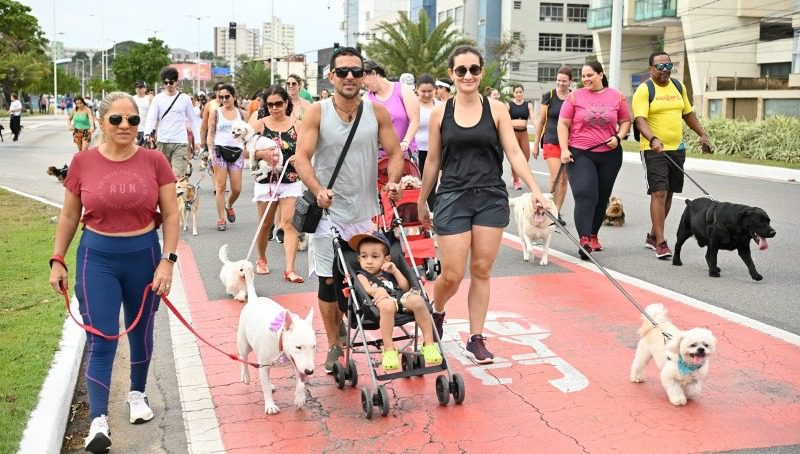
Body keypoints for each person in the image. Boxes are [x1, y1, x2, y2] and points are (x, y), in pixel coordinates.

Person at [48, 91, 178, 453]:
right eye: (117, 119)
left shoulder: (154, 161)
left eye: (133, 120)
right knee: (102, 337)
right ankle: (98, 421)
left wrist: (168, 260)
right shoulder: (82, 162)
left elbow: (170, 214)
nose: (125, 126)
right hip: (98, 258)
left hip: (145, 257)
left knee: (140, 331)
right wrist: (57, 257)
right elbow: (70, 215)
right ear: (102, 122)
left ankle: (138, 394)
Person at [417, 45, 549, 364]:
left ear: (481, 72)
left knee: (481, 269)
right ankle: (436, 312)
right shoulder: (440, 113)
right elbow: (433, 160)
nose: (467, 76)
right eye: (461, 70)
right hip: (451, 196)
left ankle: (476, 338)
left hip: (490, 196)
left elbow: (515, 153)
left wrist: (535, 189)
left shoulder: (497, 109)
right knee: (451, 274)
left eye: (474, 69)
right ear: (451, 74)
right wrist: (422, 200)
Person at [294, 46, 404, 374]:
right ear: (331, 77)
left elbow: (396, 152)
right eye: (343, 72)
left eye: (356, 71)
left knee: (365, 277)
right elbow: (301, 158)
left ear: (364, 76)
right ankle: (334, 344)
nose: (350, 77)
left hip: (364, 214)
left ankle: (361, 325)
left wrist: (393, 182)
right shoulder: (317, 112)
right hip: (327, 214)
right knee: (328, 282)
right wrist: (317, 190)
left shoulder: (377, 113)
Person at [633, 51, 712, 259]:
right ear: (651, 69)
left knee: (668, 193)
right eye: (660, 67)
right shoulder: (644, 90)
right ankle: (660, 242)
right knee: (658, 192)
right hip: (653, 149)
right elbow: (640, 120)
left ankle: (652, 235)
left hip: (677, 148)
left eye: (668, 66)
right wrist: (652, 139)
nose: (665, 70)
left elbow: (688, 114)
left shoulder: (678, 86)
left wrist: (703, 134)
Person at [558, 61, 631, 259]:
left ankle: (593, 234)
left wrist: (618, 137)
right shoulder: (574, 97)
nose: (586, 79)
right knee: (585, 195)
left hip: (610, 155)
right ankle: (583, 240)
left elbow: (625, 121)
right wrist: (564, 149)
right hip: (581, 153)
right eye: (583, 76)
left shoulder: (617, 97)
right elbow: (563, 124)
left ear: (600, 75)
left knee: (601, 197)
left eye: (590, 75)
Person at [350, 231, 442, 370]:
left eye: (375, 256)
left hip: (399, 297)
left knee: (418, 301)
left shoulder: (388, 271)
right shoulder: (362, 275)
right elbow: (367, 289)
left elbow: (405, 287)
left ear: (386, 259)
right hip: (379, 302)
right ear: (359, 259)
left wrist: (395, 271)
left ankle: (429, 344)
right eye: (364, 256)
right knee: (387, 306)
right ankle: (388, 350)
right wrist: (377, 291)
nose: (369, 261)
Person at [247, 84, 305, 281]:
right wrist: (261, 153)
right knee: (266, 224)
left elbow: (307, 148)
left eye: (278, 103)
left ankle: (289, 269)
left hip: (290, 179)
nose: (274, 108)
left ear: (286, 103)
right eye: (270, 104)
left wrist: (300, 157)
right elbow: (244, 150)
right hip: (266, 181)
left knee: (289, 224)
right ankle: (262, 258)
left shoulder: (298, 124)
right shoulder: (259, 124)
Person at [533, 66, 573, 225]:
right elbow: (541, 121)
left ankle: (556, 211)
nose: (561, 84)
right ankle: (548, 210)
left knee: (564, 179)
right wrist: (536, 143)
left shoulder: (574, 97)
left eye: (564, 81)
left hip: (569, 143)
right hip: (550, 139)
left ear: (570, 81)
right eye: (558, 80)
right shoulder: (548, 96)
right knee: (556, 176)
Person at [144, 67, 201, 177]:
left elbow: (193, 120)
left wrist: (198, 140)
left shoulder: (184, 98)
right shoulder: (158, 99)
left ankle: (176, 193)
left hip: (180, 141)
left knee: (177, 176)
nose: (168, 85)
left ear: (176, 82)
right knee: (163, 176)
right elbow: (151, 118)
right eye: (166, 83)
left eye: (171, 82)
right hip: (162, 141)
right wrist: (147, 134)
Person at [364, 60, 421, 164]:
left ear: (373, 73)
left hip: (406, 153)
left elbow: (415, 119)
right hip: (380, 158)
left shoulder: (403, 90)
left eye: (363, 77)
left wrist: (406, 141)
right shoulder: (366, 99)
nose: (362, 83)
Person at [207, 84, 246, 232]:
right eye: (221, 97)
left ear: (234, 97)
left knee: (236, 188)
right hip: (219, 150)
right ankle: (221, 218)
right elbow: (211, 132)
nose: (224, 99)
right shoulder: (216, 112)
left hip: (237, 152)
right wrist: (210, 151)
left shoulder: (241, 114)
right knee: (220, 187)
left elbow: (247, 132)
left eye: (227, 96)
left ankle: (229, 205)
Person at [414, 73, 440, 210]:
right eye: (423, 91)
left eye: (430, 91)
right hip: (416, 152)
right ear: (417, 89)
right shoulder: (412, 106)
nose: (426, 94)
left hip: (434, 151)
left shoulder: (440, 106)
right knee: (417, 185)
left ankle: (432, 214)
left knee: (431, 185)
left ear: (435, 90)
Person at [507, 84, 536, 190]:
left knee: (525, 157)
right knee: (515, 158)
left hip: (524, 133)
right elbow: (504, 120)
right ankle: (516, 180)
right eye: (517, 92)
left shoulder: (528, 105)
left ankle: (516, 175)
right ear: (513, 93)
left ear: (523, 93)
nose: (519, 94)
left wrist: (539, 127)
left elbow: (533, 118)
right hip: (513, 134)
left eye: (520, 92)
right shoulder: (509, 105)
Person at [133, 81, 151, 146]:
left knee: (147, 151)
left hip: (146, 130)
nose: (138, 89)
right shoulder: (132, 99)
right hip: (135, 130)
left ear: (145, 88)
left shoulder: (149, 99)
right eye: (137, 87)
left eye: (140, 87)